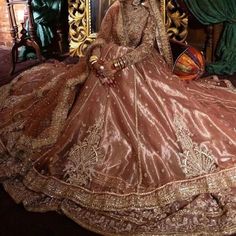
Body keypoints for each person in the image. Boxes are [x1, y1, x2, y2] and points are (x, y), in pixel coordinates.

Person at [1, 0, 236, 235]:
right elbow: (102, 40)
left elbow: (145, 48)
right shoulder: (114, 9)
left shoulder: (148, 11)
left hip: (138, 69)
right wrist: (95, 61)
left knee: (162, 119)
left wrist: (118, 63)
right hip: (103, 68)